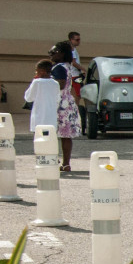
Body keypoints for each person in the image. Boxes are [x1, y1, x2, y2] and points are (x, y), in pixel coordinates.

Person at [48, 42, 81, 171]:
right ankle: (66, 163)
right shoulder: (67, 66)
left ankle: (52, 161)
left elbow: (60, 84)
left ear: (61, 53)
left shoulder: (58, 68)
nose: (50, 53)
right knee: (65, 134)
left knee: (51, 132)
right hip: (67, 102)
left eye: (53, 51)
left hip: (59, 103)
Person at [25, 59, 60, 134]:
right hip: (51, 117)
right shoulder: (55, 83)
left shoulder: (36, 82)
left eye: (36, 71)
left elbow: (28, 98)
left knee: (39, 141)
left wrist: (33, 82)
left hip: (39, 118)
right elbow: (58, 99)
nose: (36, 73)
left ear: (42, 71)